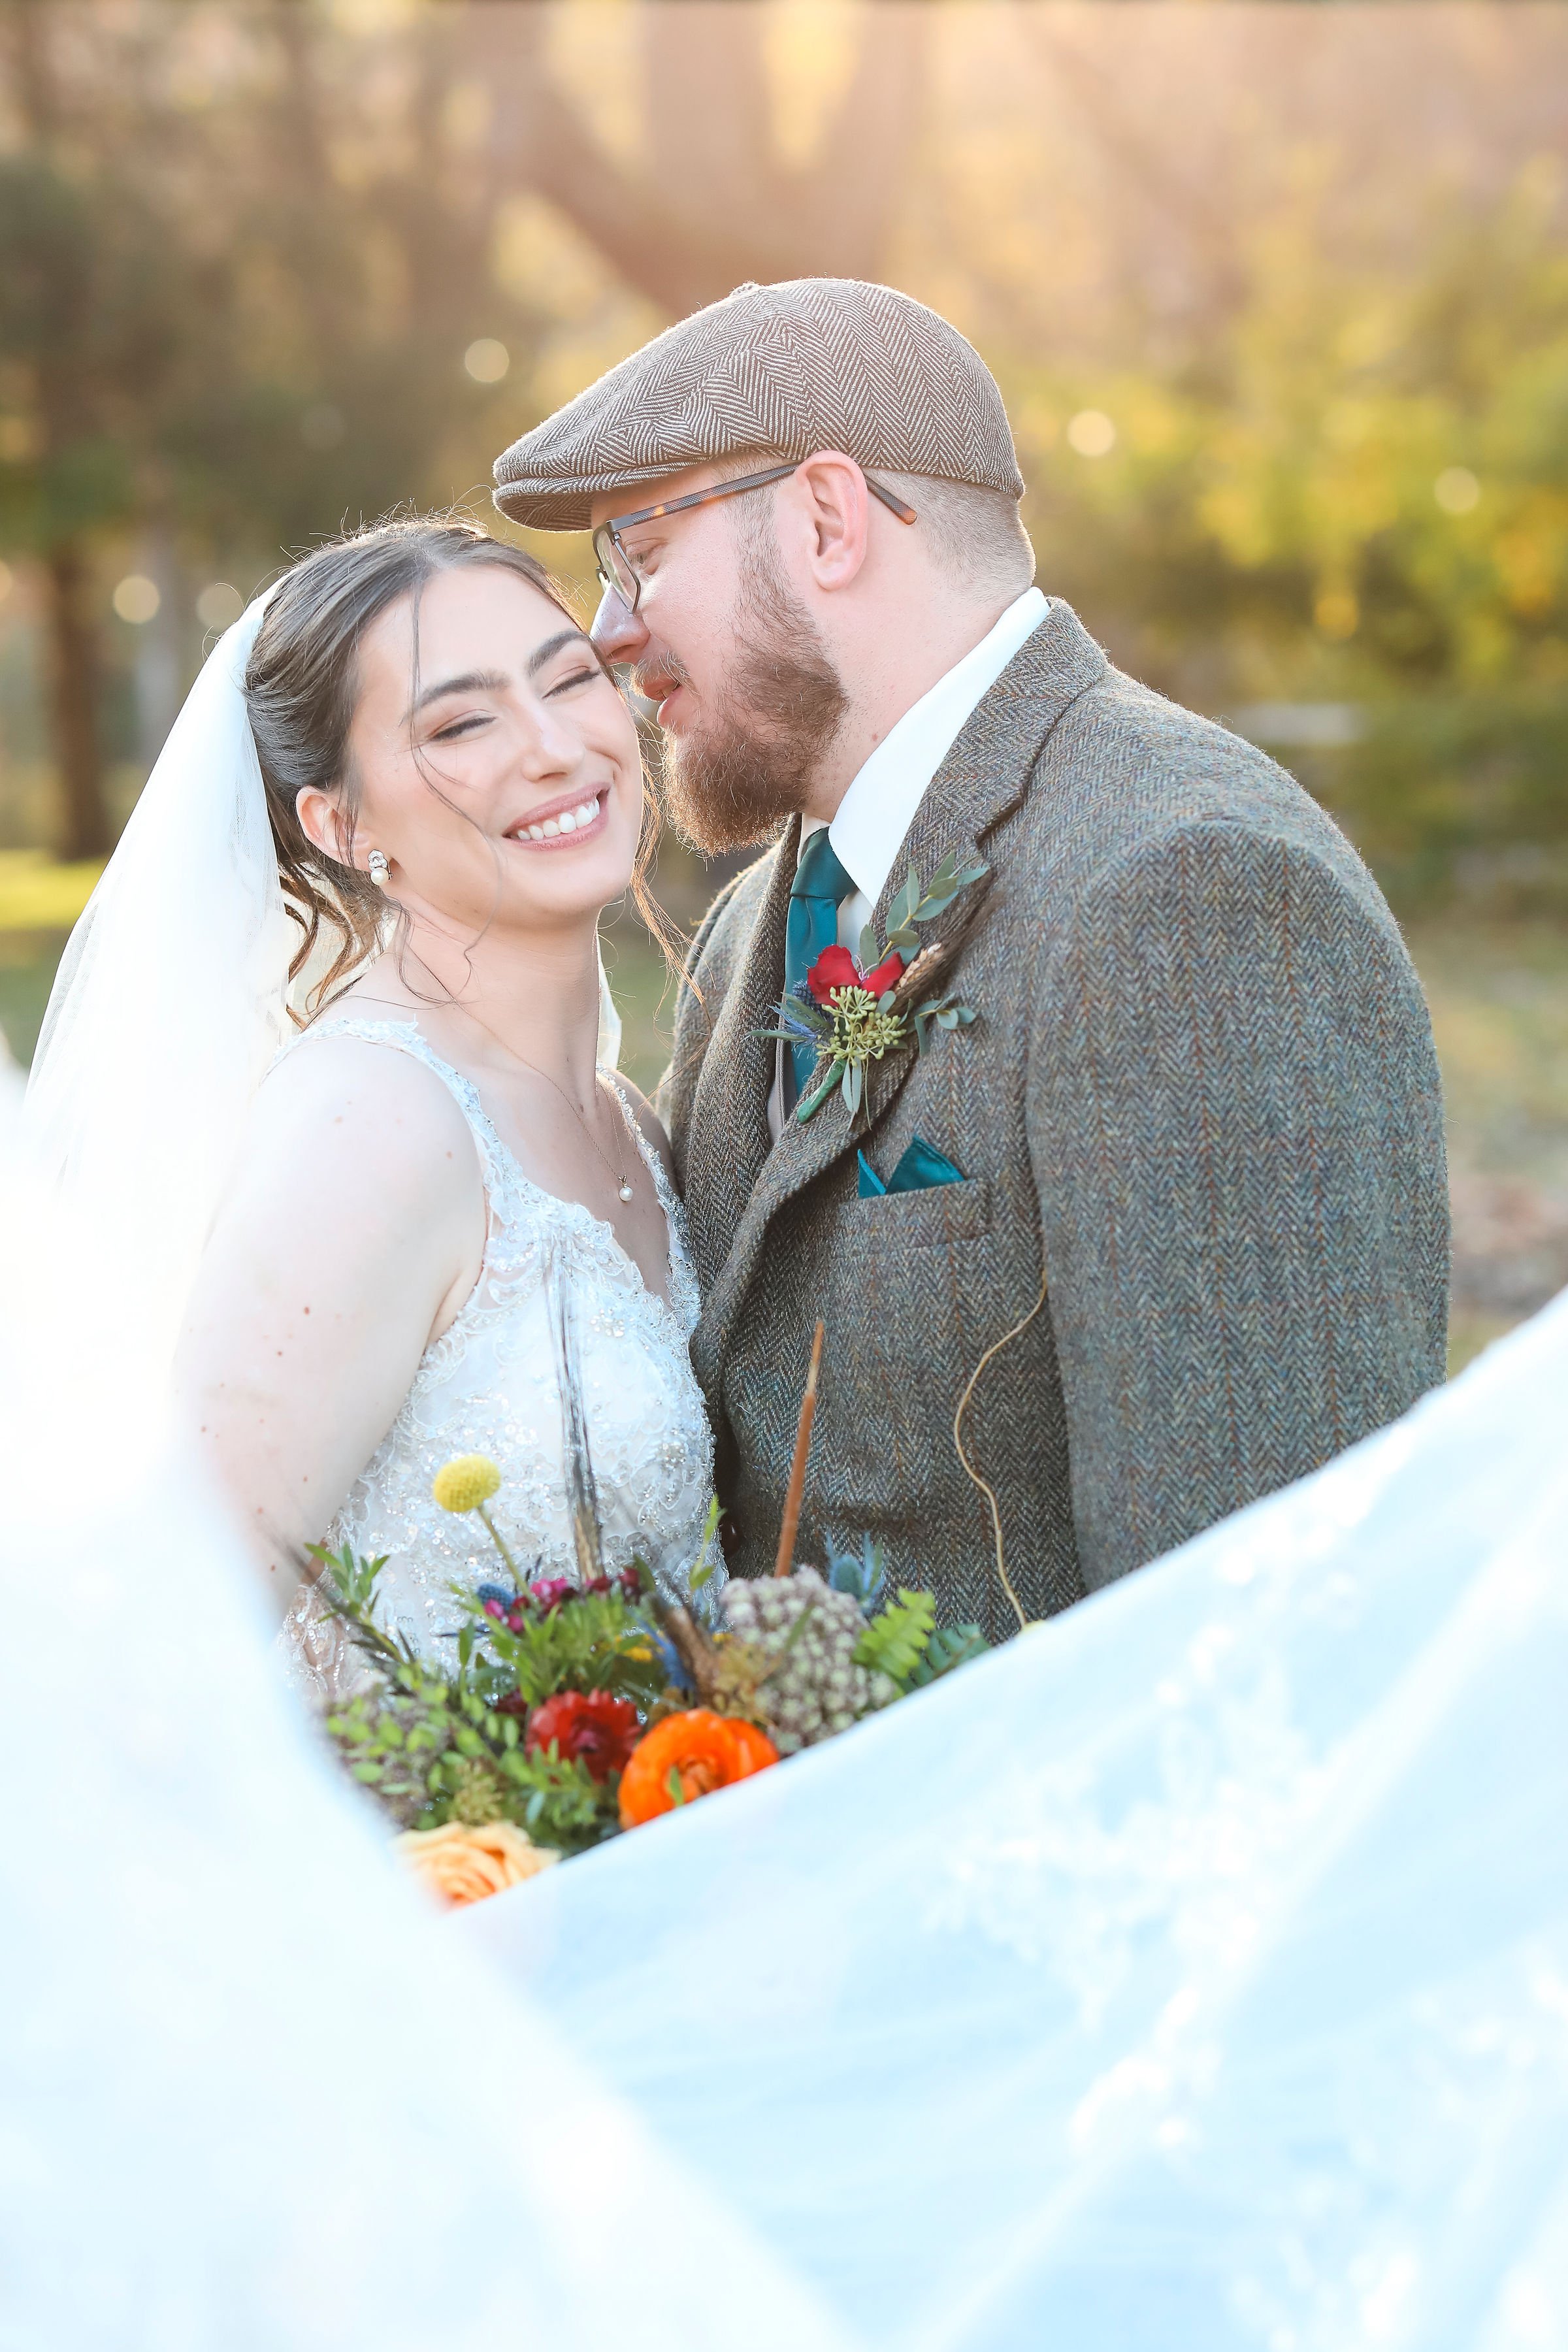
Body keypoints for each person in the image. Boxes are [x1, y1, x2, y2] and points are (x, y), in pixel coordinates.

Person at [492, 276, 1450, 1639]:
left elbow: (1258, 1626)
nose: (609, 629)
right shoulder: (741, 934)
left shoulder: (1191, 893)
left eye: (640, 550)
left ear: (827, 519)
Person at [24, 519, 715, 1697]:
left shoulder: (631, 1124)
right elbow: (172, 1650)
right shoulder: (374, 1129)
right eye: (461, 722)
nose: (555, 747)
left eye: (571, 678)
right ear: (339, 826)